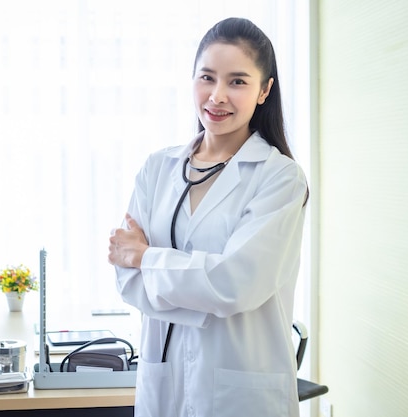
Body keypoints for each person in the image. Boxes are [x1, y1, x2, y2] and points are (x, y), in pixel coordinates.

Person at [108, 17, 308, 417]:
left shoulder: (279, 177)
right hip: (164, 386)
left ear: (264, 90)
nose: (217, 96)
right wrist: (204, 290)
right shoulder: (157, 169)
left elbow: (235, 285)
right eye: (207, 77)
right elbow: (127, 280)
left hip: (242, 394)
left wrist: (148, 259)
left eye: (237, 81)